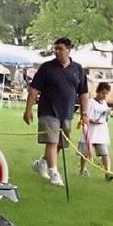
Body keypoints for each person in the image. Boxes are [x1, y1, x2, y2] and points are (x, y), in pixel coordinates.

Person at [24, 37, 88, 187]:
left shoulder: (78, 69)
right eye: (55, 49)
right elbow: (34, 89)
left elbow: (84, 93)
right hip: (48, 110)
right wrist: (28, 110)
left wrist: (85, 114)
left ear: (68, 49)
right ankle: (54, 173)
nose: (57, 51)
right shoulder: (47, 67)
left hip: (67, 112)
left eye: (60, 49)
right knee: (52, 141)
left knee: (61, 143)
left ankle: (42, 163)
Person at [78, 82, 113, 180]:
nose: (104, 95)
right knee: (85, 152)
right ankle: (83, 169)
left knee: (105, 153)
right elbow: (85, 117)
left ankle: (108, 172)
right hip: (90, 132)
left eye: (106, 93)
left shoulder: (105, 104)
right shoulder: (90, 102)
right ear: (98, 91)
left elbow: (105, 118)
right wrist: (92, 120)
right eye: (103, 93)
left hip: (101, 133)